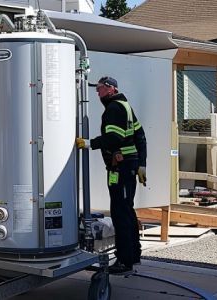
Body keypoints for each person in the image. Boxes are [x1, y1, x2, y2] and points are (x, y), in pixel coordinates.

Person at [76, 76, 147, 275]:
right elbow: (140, 137)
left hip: (121, 168)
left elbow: (114, 137)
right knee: (126, 209)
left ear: (110, 89)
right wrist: (141, 165)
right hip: (127, 167)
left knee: (120, 213)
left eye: (99, 89)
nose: (97, 93)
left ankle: (125, 261)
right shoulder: (126, 106)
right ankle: (133, 256)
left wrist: (89, 143)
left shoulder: (114, 108)